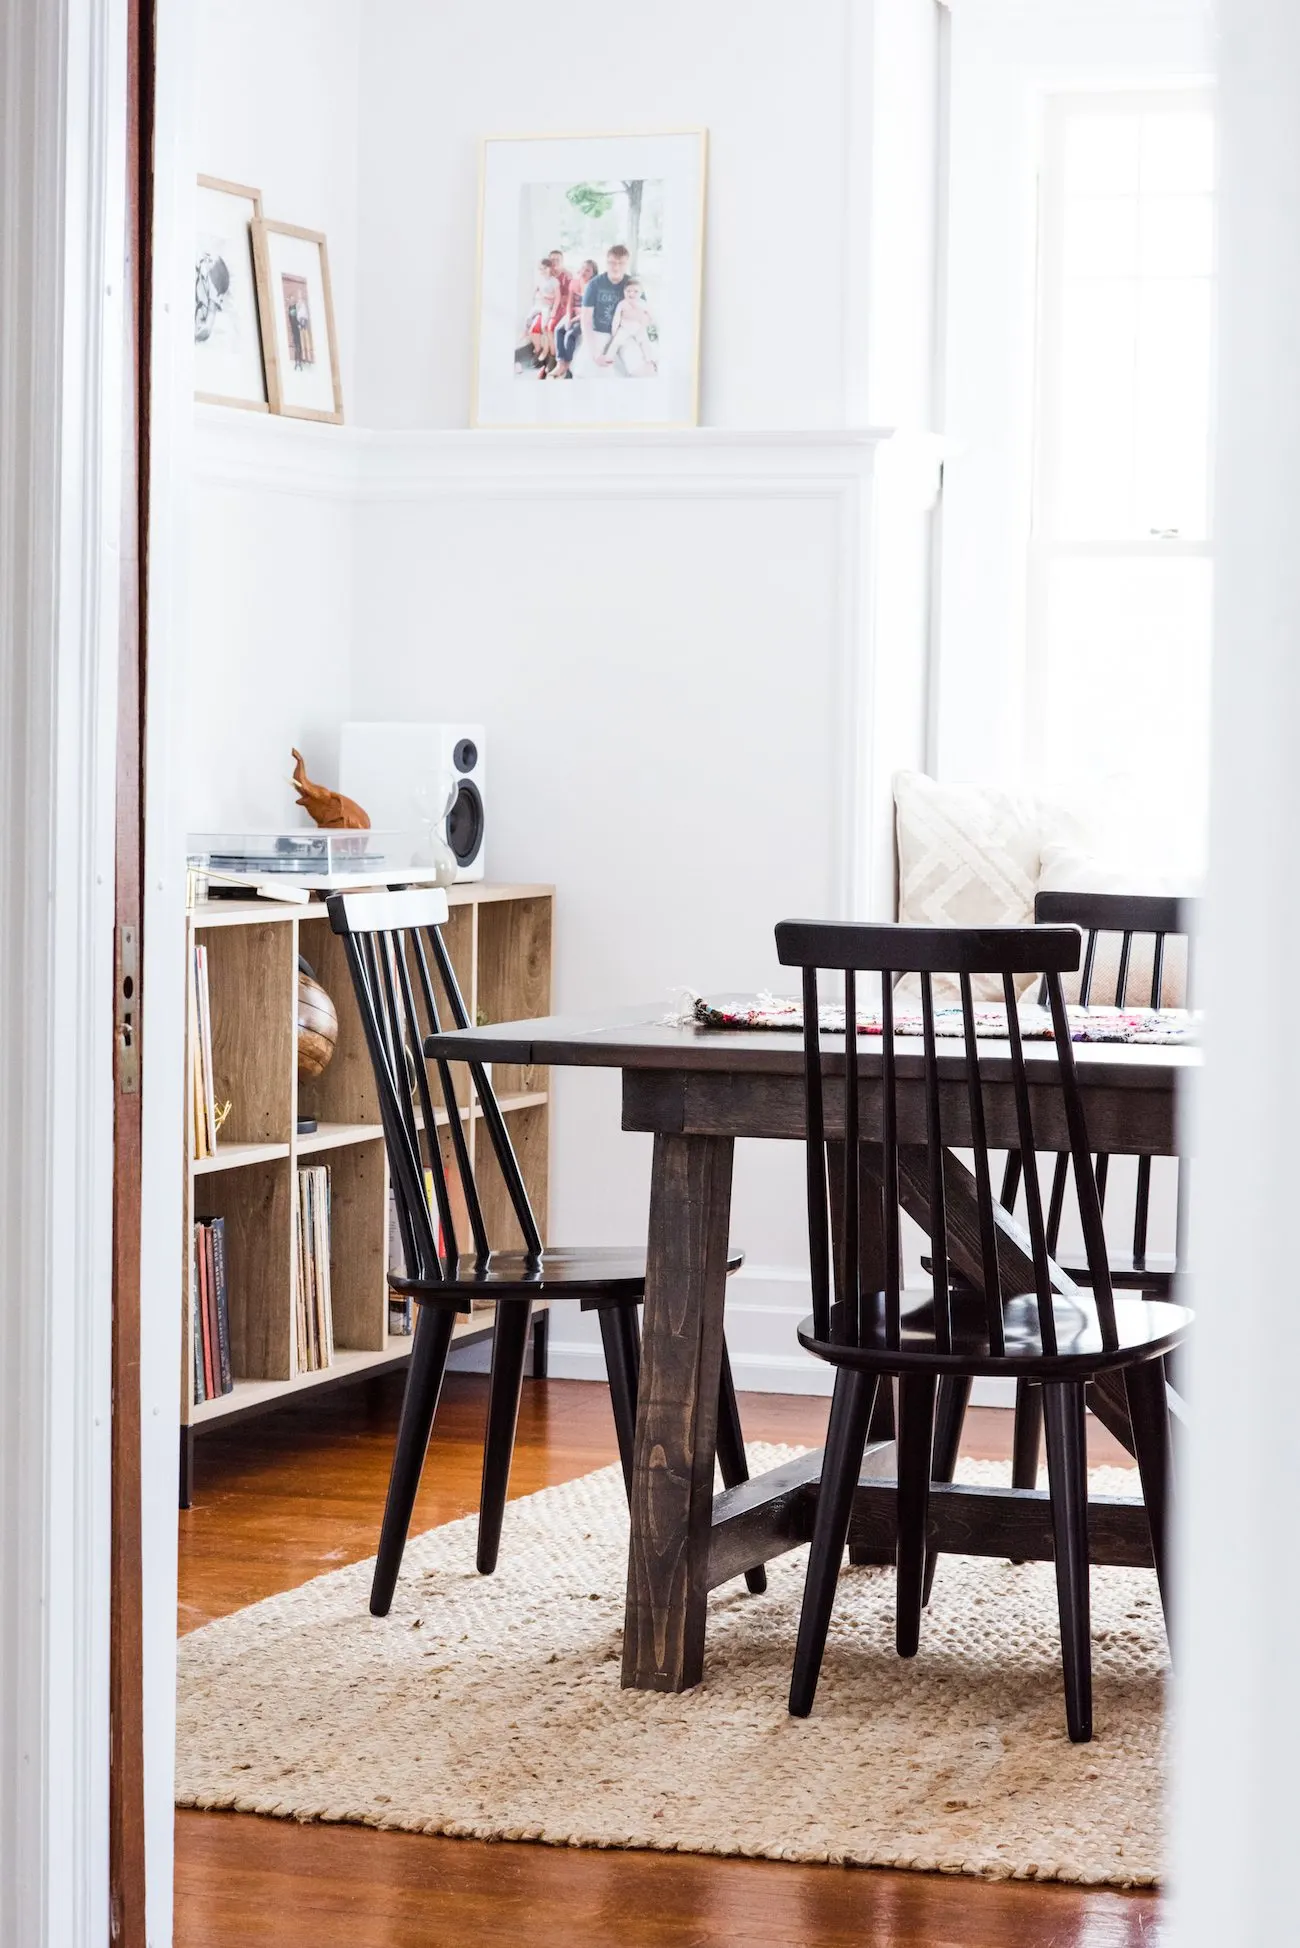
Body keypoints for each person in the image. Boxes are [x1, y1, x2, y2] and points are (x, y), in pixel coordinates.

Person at [579, 244, 633, 374]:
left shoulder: (632, 284)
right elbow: (585, 320)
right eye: (612, 262)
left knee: (641, 369)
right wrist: (594, 352)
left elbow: (642, 314)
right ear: (606, 262)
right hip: (600, 332)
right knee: (587, 369)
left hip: (624, 332)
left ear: (627, 264)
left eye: (621, 263)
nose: (616, 267)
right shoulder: (594, 284)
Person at [552, 257, 596, 379]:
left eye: (587, 270)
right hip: (572, 313)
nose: (583, 272)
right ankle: (560, 362)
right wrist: (568, 317)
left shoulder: (593, 286)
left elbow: (591, 310)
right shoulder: (574, 282)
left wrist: (573, 320)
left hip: (586, 316)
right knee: (558, 330)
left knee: (570, 334)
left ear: (593, 274)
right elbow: (570, 303)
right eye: (582, 268)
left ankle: (567, 364)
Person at [605, 277, 656, 375]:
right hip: (625, 327)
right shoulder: (622, 304)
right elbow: (617, 317)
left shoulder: (642, 303)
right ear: (624, 292)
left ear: (641, 293)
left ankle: (649, 358)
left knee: (644, 342)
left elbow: (650, 314)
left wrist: (650, 320)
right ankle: (609, 357)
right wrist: (614, 330)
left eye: (635, 291)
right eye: (628, 291)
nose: (631, 294)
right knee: (616, 341)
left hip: (638, 327)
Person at [524, 257, 561, 373]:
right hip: (537, 305)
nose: (543, 271)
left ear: (550, 268)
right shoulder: (540, 280)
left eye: (545, 268)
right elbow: (537, 291)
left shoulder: (554, 281)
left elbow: (557, 297)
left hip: (546, 307)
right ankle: (537, 349)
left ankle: (547, 351)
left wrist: (553, 309)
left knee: (544, 327)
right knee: (528, 320)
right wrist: (536, 294)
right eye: (541, 269)